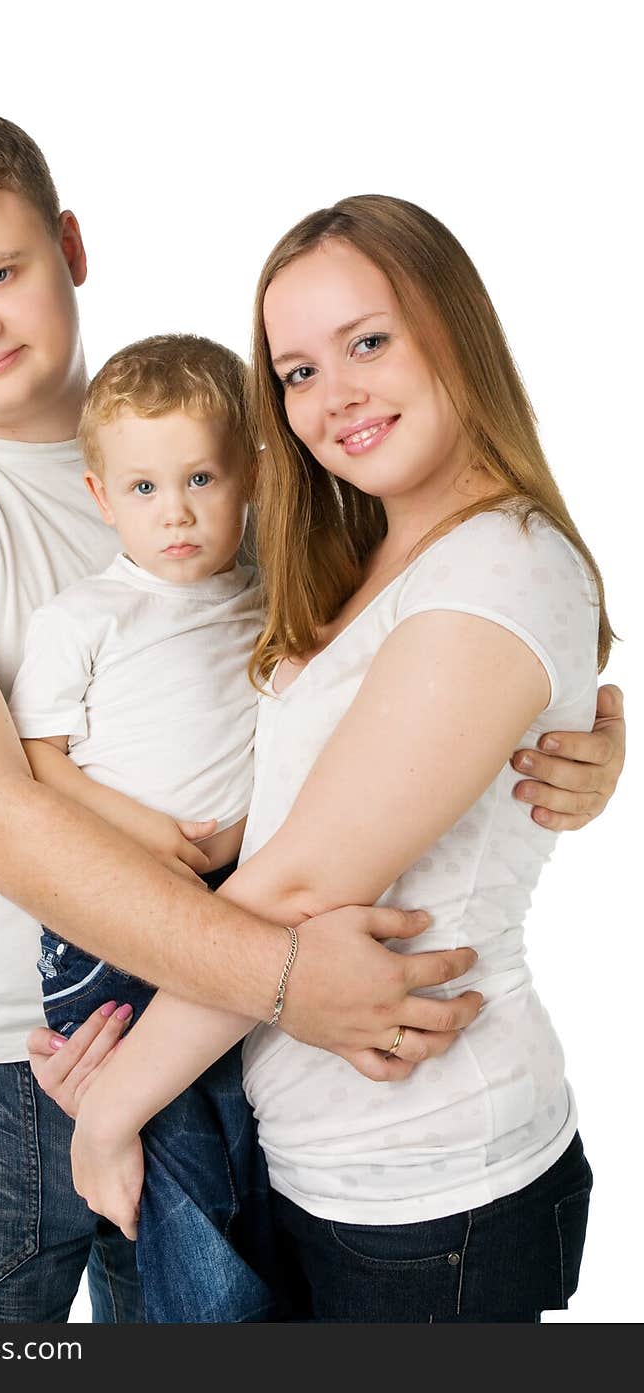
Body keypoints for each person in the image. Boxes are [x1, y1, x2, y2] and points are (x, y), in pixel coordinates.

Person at [0, 104, 623, 1325]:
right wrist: (285, 977)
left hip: (214, 1046)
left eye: (2, 271)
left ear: (71, 245)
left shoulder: (203, 445)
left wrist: (568, 749)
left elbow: (383, 654)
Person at [38, 195, 615, 1323]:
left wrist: (112, 1106)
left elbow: (303, 880)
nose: (333, 393)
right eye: (295, 370)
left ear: (454, 328)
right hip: (309, 1152)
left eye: (367, 341)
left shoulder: (496, 568)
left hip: (431, 1182)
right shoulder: (370, 546)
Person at [9, 331, 289, 1321]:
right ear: (100, 496)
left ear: (250, 471)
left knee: (242, 1128)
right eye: (143, 489)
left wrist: (236, 834)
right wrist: (146, 835)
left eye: (201, 477)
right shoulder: (86, 617)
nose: (174, 512)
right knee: (172, 1128)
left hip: (236, 892)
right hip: (110, 910)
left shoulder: (269, 595)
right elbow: (40, 761)